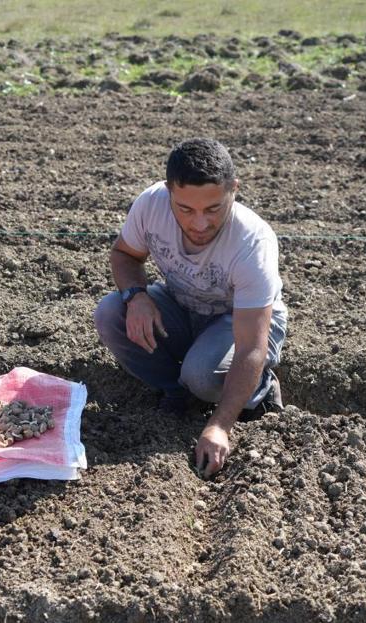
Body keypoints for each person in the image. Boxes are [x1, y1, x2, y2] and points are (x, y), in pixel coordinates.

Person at [94, 138, 287, 478]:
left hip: (239, 321)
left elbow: (250, 348)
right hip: (183, 303)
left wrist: (221, 427)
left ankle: (259, 390)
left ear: (234, 190)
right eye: (185, 209)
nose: (199, 224)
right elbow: (124, 255)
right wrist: (137, 296)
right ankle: (176, 391)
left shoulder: (252, 244)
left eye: (213, 209)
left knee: (202, 376)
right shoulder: (150, 206)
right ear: (169, 191)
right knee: (112, 313)